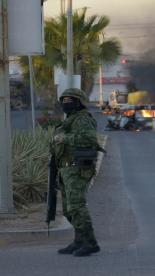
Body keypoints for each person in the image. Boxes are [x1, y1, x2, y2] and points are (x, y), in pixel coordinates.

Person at [51, 88, 100, 257]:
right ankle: (79, 240)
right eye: (63, 101)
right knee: (68, 209)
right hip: (66, 168)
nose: (65, 104)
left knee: (77, 207)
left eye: (69, 100)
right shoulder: (71, 119)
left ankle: (90, 242)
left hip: (78, 168)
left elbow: (89, 138)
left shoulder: (83, 119)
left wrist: (65, 138)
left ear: (79, 102)